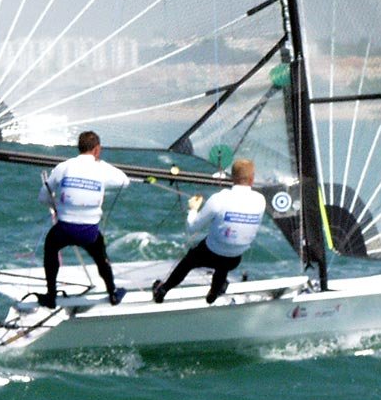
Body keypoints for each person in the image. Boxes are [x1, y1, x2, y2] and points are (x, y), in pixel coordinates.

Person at [152, 158, 265, 305]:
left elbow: (192, 228)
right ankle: (213, 294)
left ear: (231, 178)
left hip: (212, 253)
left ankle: (163, 290)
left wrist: (193, 209)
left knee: (188, 261)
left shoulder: (219, 199)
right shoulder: (260, 200)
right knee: (224, 263)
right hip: (235, 259)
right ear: (252, 179)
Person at [37, 131, 130, 309]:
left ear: (79, 147)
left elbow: (43, 197)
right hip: (89, 233)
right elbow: (124, 181)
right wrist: (100, 166)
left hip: (64, 229)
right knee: (101, 257)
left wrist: (55, 205)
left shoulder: (63, 166)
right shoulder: (101, 168)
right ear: (97, 149)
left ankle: (51, 297)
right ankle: (112, 293)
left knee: (50, 247)